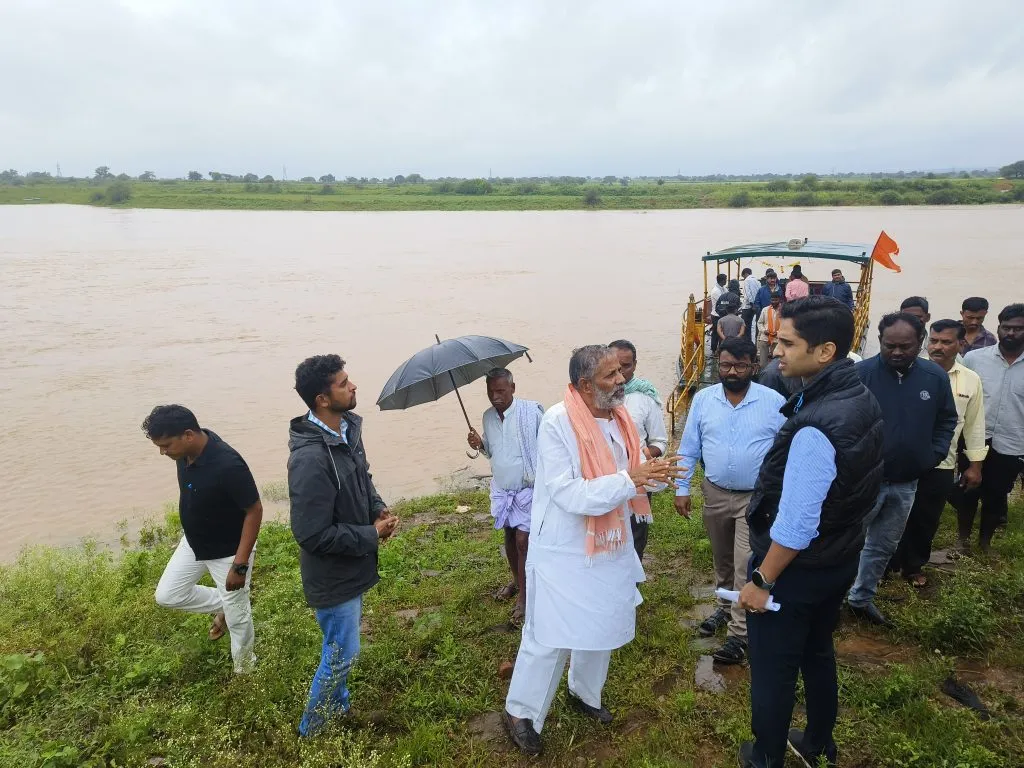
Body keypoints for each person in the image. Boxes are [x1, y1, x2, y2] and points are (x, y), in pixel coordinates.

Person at [502, 345, 684, 756]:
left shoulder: (622, 419)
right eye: (610, 376)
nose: (621, 380)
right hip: (565, 549)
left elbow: (634, 474)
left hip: (610, 541)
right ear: (585, 385)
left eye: (621, 372)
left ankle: (584, 694)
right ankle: (521, 712)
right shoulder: (557, 422)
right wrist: (631, 478)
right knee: (549, 634)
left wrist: (656, 477)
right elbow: (569, 494)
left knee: (600, 624)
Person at [737, 296, 884, 768]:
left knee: (773, 671)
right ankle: (818, 740)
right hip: (839, 557)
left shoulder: (816, 427)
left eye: (786, 342)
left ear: (825, 351)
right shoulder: (858, 395)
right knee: (818, 652)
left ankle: (765, 757)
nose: (774, 350)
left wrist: (762, 581)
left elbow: (797, 525)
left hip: (797, 570)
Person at [288, 354, 399, 736]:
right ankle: (313, 729)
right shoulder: (310, 458)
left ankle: (340, 706)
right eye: (343, 383)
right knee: (342, 653)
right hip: (332, 575)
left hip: (352, 563)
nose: (353, 387)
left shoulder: (346, 430)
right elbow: (311, 534)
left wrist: (377, 508)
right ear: (322, 399)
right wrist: (372, 535)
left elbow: (362, 478)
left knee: (340, 646)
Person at [675, 337, 786, 665]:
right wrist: (682, 488)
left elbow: (784, 452)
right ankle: (725, 608)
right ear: (718, 365)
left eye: (740, 365)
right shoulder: (704, 400)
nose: (732, 371)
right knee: (722, 560)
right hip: (715, 493)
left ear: (754, 365)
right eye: (725, 365)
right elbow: (689, 447)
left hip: (755, 499)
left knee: (743, 564)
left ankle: (739, 635)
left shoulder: (774, 401)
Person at [849, 313, 957, 626]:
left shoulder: (933, 377)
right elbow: (841, 422)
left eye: (905, 346)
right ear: (879, 342)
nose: (897, 352)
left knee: (883, 545)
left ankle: (861, 598)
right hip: (864, 481)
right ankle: (832, 598)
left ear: (920, 343)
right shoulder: (861, 374)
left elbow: (947, 420)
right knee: (848, 543)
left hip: (906, 482)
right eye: (889, 345)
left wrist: (932, 455)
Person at [144, 405, 262, 675]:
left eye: (165, 445)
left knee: (238, 619)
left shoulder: (228, 464)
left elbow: (254, 510)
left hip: (228, 551)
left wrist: (240, 565)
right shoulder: (183, 455)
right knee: (167, 595)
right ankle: (227, 604)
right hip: (194, 542)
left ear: (188, 435)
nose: (163, 452)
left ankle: (245, 672)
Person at [892, 320, 986, 584]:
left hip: (943, 462)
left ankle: (913, 567)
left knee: (926, 518)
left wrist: (975, 465)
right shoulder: (907, 372)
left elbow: (975, 423)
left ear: (960, 344)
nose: (937, 347)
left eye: (946, 342)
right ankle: (887, 565)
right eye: (933, 340)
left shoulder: (970, 380)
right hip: (903, 460)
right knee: (893, 516)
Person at [467, 368, 544, 625]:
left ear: (513, 387)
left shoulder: (531, 412)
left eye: (500, 390)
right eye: (491, 391)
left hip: (528, 488)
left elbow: (545, 446)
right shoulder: (488, 417)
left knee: (524, 540)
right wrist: (480, 444)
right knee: (510, 535)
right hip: (503, 488)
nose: (495, 396)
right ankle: (516, 579)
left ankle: (524, 597)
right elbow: (494, 451)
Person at [961, 304, 1024, 551]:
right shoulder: (975, 359)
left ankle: (984, 543)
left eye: (1018, 329)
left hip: (1012, 440)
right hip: (975, 437)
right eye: (1006, 327)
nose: (1010, 333)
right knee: (967, 490)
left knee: (996, 494)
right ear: (997, 327)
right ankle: (962, 540)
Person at [609, 340, 669, 560]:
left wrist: (644, 453)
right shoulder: (596, 398)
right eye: (615, 367)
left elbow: (660, 442)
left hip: (637, 479)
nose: (621, 373)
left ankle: (632, 587)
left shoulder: (645, 398)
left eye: (626, 366)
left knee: (635, 536)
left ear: (635, 365)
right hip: (604, 477)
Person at [756, 291, 782, 367]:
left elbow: (786, 324)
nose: (773, 302)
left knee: (776, 363)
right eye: (772, 300)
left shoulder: (783, 310)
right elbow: (759, 323)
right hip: (765, 338)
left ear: (779, 300)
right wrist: (764, 331)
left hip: (777, 339)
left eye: (775, 300)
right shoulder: (765, 310)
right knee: (763, 363)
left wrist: (778, 332)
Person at [709, 273, 728, 353]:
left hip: (722, 313)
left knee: (721, 332)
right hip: (716, 315)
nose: (726, 281)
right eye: (725, 280)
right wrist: (730, 302)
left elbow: (727, 295)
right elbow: (722, 302)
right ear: (722, 280)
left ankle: (721, 348)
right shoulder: (716, 291)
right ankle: (714, 349)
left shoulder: (723, 288)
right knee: (716, 333)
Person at [741, 267, 761, 333]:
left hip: (748, 306)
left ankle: (746, 342)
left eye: (743, 276)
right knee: (755, 324)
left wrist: (752, 304)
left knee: (745, 326)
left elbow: (748, 294)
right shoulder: (757, 281)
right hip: (756, 306)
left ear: (745, 274)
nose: (744, 278)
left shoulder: (747, 280)